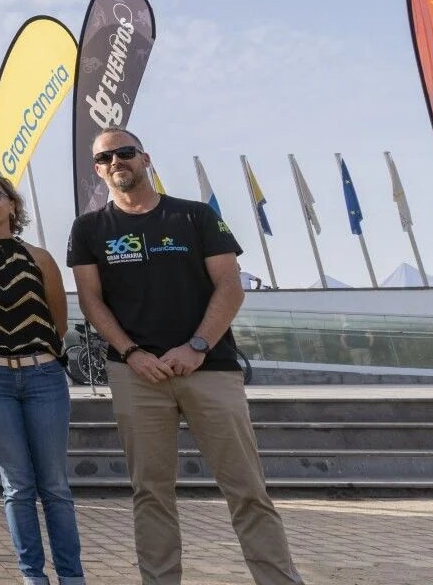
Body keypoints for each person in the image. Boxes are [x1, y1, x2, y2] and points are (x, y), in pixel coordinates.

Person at [68, 130, 304, 585]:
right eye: (106, 157)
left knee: (247, 489)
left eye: (125, 152)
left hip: (209, 369)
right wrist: (132, 353)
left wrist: (197, 346)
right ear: (98, 169)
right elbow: (91, 300)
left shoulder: (194, 216)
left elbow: (230, 286)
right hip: (136, 375)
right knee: (151, 495)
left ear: (145, 158)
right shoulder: (89, 229)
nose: (117, 160)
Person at [0, 174, 84, 585]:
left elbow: (57, 319)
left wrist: (33, 354)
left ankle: (72, 576)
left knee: (55, 485)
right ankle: (32, 577)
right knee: (17, 485)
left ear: (12, 204)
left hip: (43, 375)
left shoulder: (40, 257)